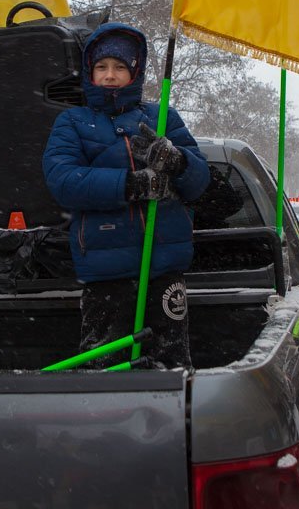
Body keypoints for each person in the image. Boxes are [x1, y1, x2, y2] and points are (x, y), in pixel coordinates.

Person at [42, 23, 211, 369]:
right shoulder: (73, 122)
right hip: (106, 273)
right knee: (105, 366)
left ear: (135, 71)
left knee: (171, 366)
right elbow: (63, 180)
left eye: (119, 67)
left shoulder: (164, 117)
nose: (110, 76)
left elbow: (200, 181)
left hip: (163, 267)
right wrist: (130, 185)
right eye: (102, 67)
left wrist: (177, 162)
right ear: (90, 72)